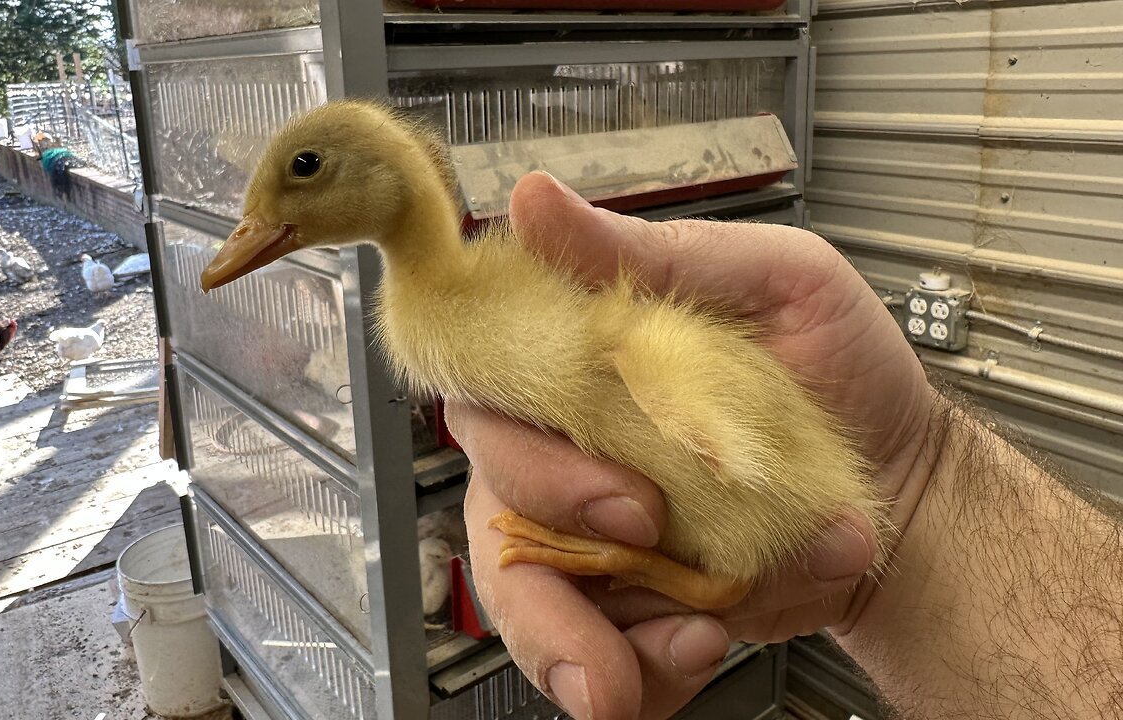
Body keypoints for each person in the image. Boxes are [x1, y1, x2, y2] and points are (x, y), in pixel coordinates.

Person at [447, 172, 1123, 720]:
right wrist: (926, 479)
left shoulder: (618, 337)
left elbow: (746, 460)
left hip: (746, 474)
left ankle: (691, 570)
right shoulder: (509, 322)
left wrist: (922, 472)